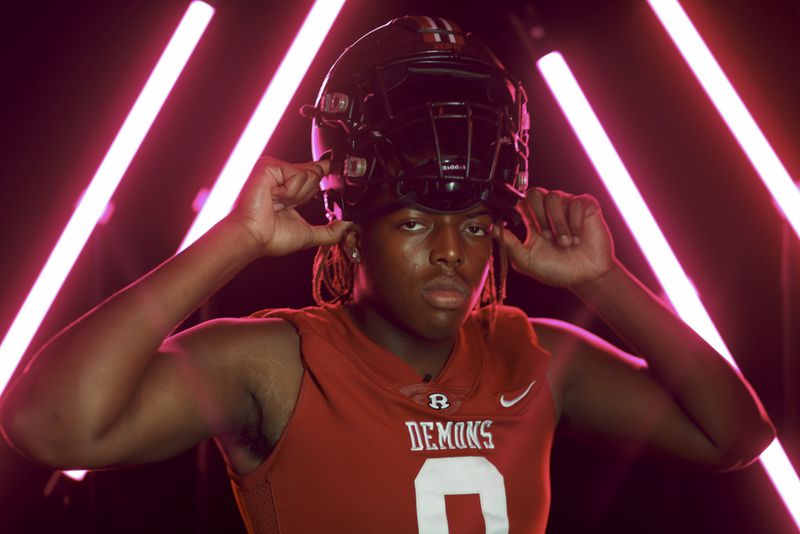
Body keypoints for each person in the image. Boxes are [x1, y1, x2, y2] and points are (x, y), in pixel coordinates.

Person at [0, 15, 774, 533]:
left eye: (474, 223)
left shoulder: (537, 356)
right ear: (350, 236)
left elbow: (738, 434)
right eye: (412, 222)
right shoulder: (276, 364)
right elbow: (45, 424)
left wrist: (602, 281)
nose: (451, 251)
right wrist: (232, 241)